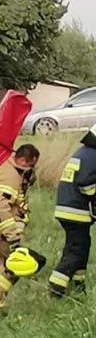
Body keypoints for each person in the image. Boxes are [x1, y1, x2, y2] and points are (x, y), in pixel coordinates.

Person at [0, 144, 40, 307]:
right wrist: (13, 236)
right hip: (2, 231)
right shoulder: (11, 176)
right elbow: (0, 206)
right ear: (21, 160)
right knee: (19, 263)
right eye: (30, 165)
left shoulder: (8, 168)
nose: (31, 169)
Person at [49, 124, 96, 297]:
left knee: (82, 246)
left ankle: (78, 284)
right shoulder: (93, 156)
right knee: (76, 250)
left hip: (68, 208)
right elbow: (86, 184)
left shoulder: (85, 153)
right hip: (76, 210)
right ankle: (56, 286)